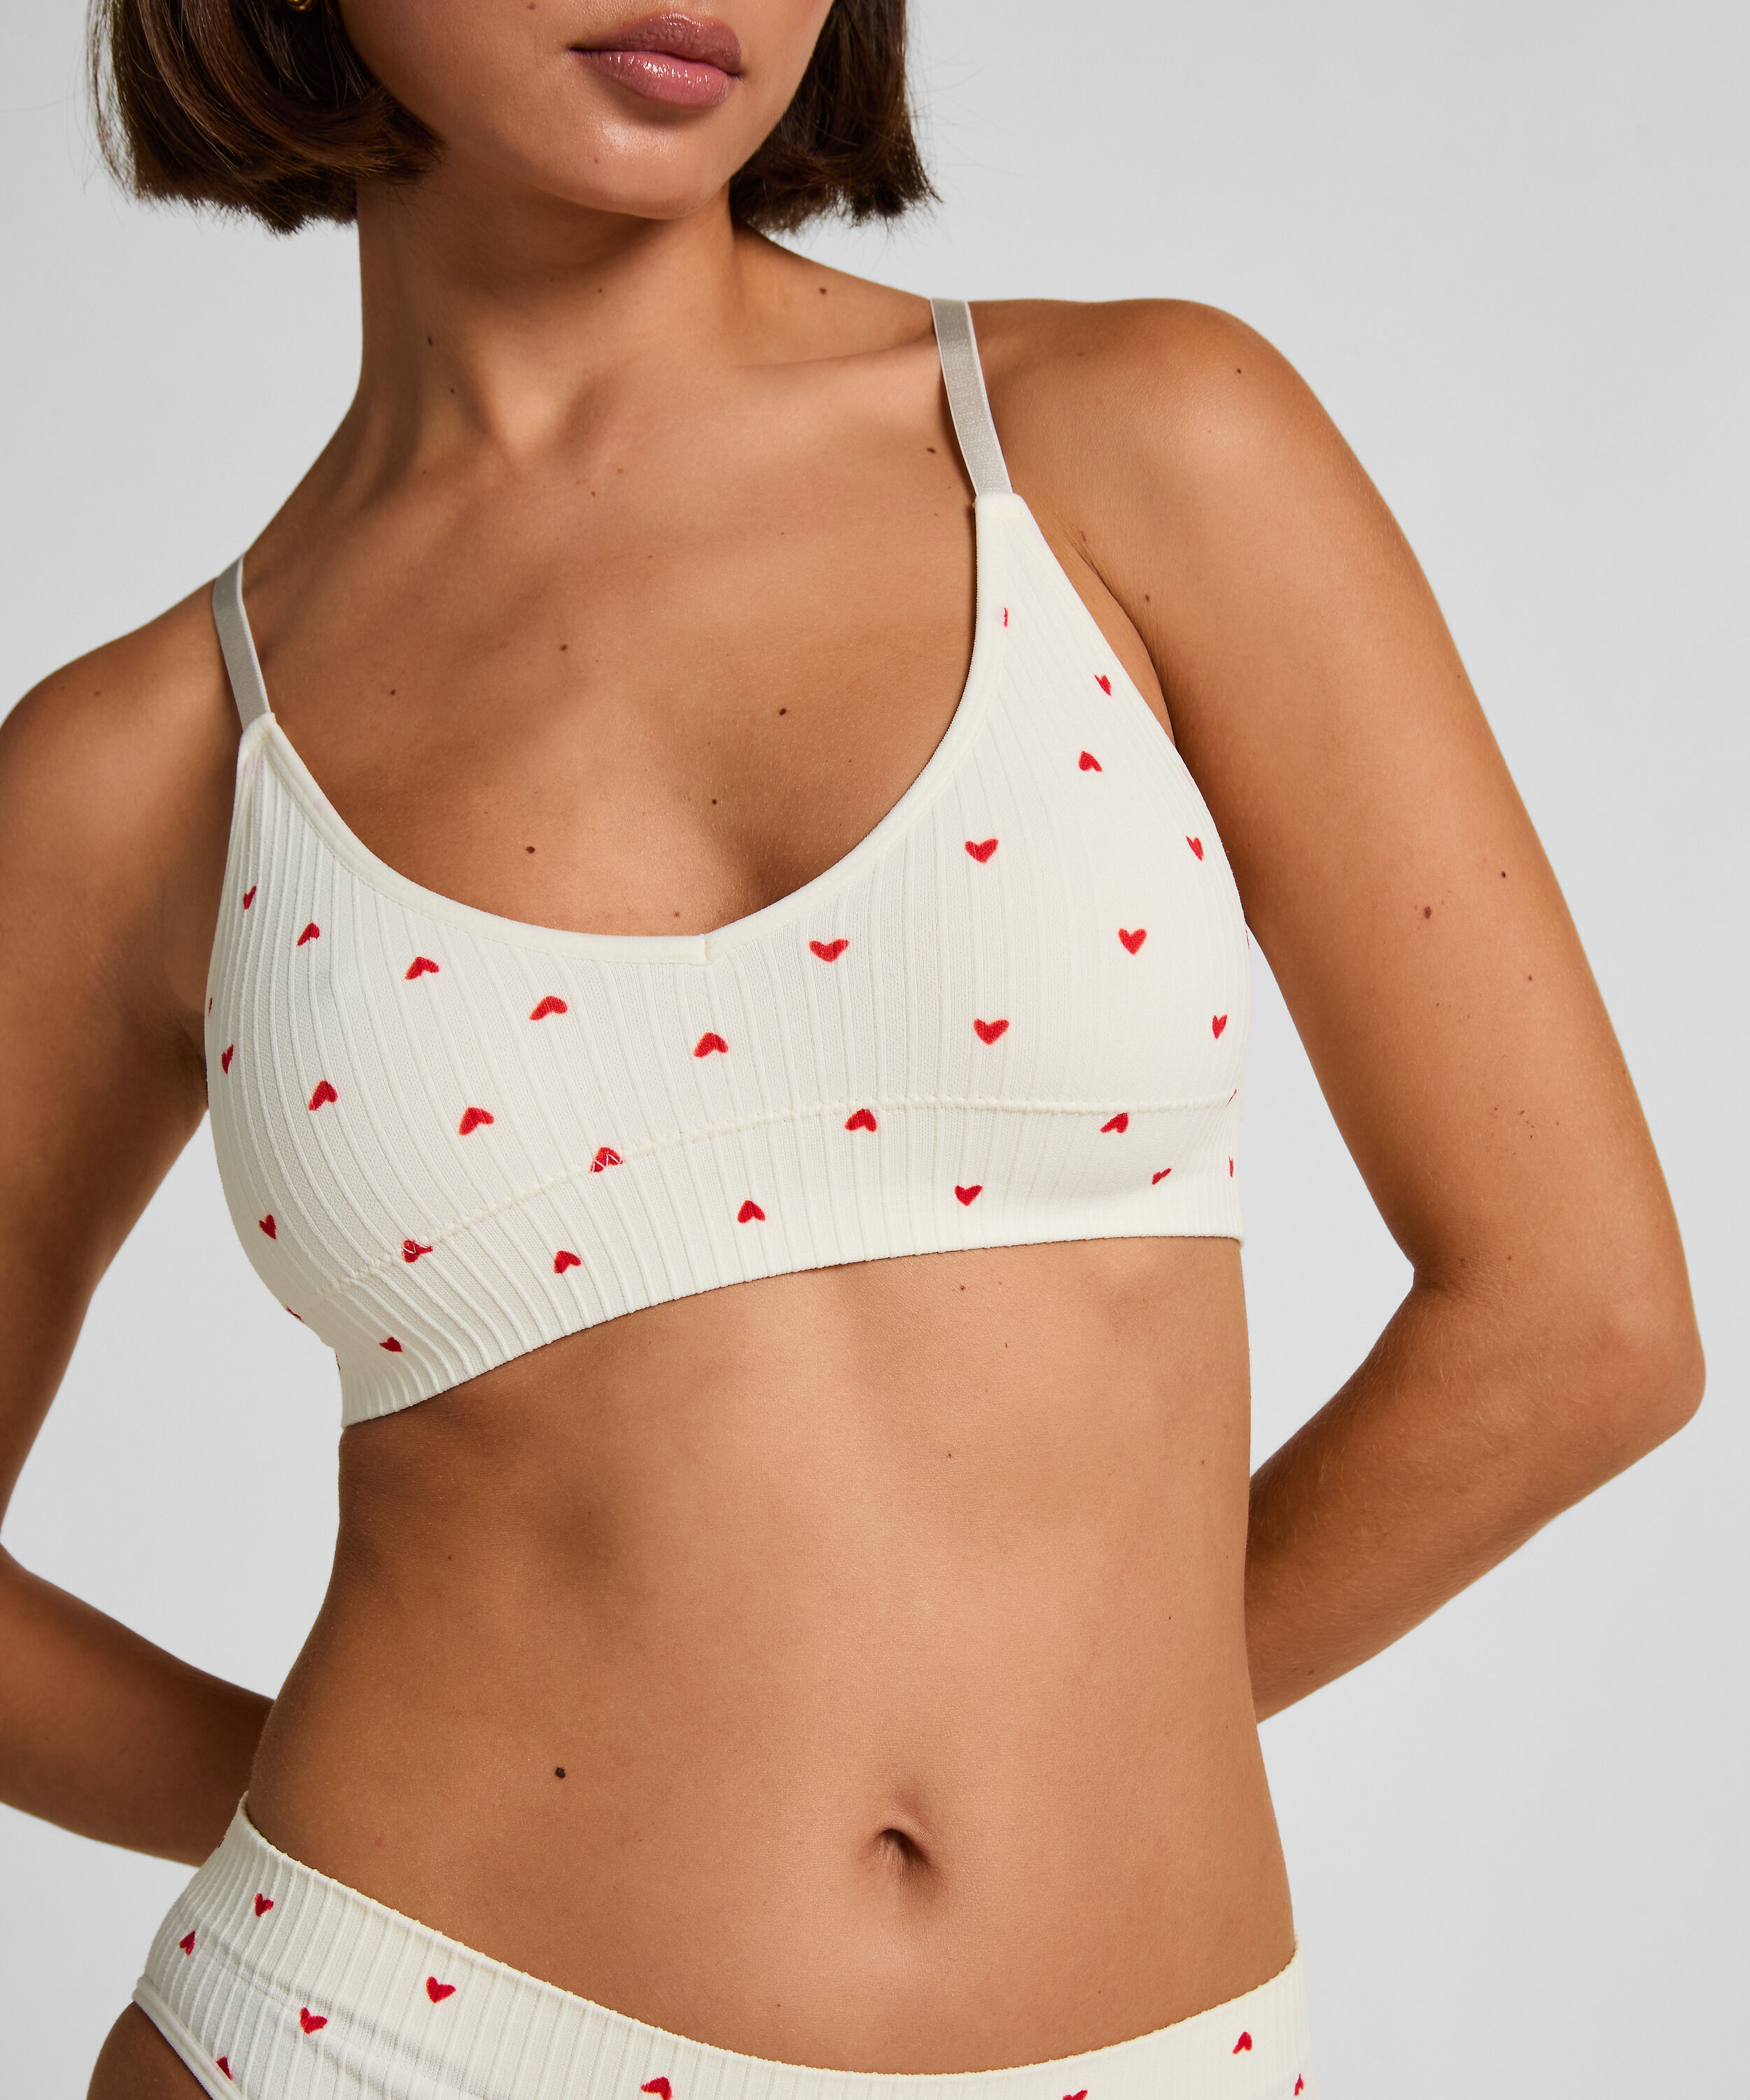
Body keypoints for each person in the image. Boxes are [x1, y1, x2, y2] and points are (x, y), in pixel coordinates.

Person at [0, 3, 1702, 2095]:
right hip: (375, 2042)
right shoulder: (148, 765)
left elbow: (1580, 1328)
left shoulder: (1132, 445)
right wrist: (365, 1856)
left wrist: (1082, 1737)